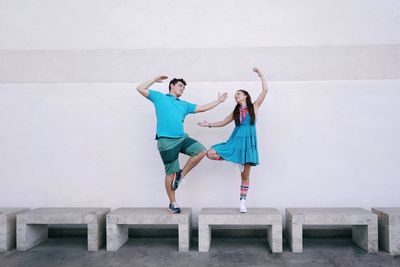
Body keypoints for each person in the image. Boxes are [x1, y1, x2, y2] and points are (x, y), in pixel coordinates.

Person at [137, 75, 228, 213]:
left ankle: (181, 175)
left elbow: (202, 108)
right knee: (170, 173)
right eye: (180, 86)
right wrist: (155, 78)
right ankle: (172, 203)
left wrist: (219, 101)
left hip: (181, 138)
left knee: (201, 151)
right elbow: (140, 88)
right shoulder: (159, 97)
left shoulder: (183, 104)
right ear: (171, 86)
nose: (182, 89)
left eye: (184, 87)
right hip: (166, 141)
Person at [197, 67, 268, 213]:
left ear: (245, 96)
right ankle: (236, 159)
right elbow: (223, 122)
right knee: (210, 153)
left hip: (248, 143)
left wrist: (261, 75)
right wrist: (208, 124)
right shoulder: (236, 112)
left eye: (239, 94)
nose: (236, 96)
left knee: (245, 176)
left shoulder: (254, 106)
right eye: (235, 95)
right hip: (235, 141)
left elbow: (265, 90)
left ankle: (242, 202)